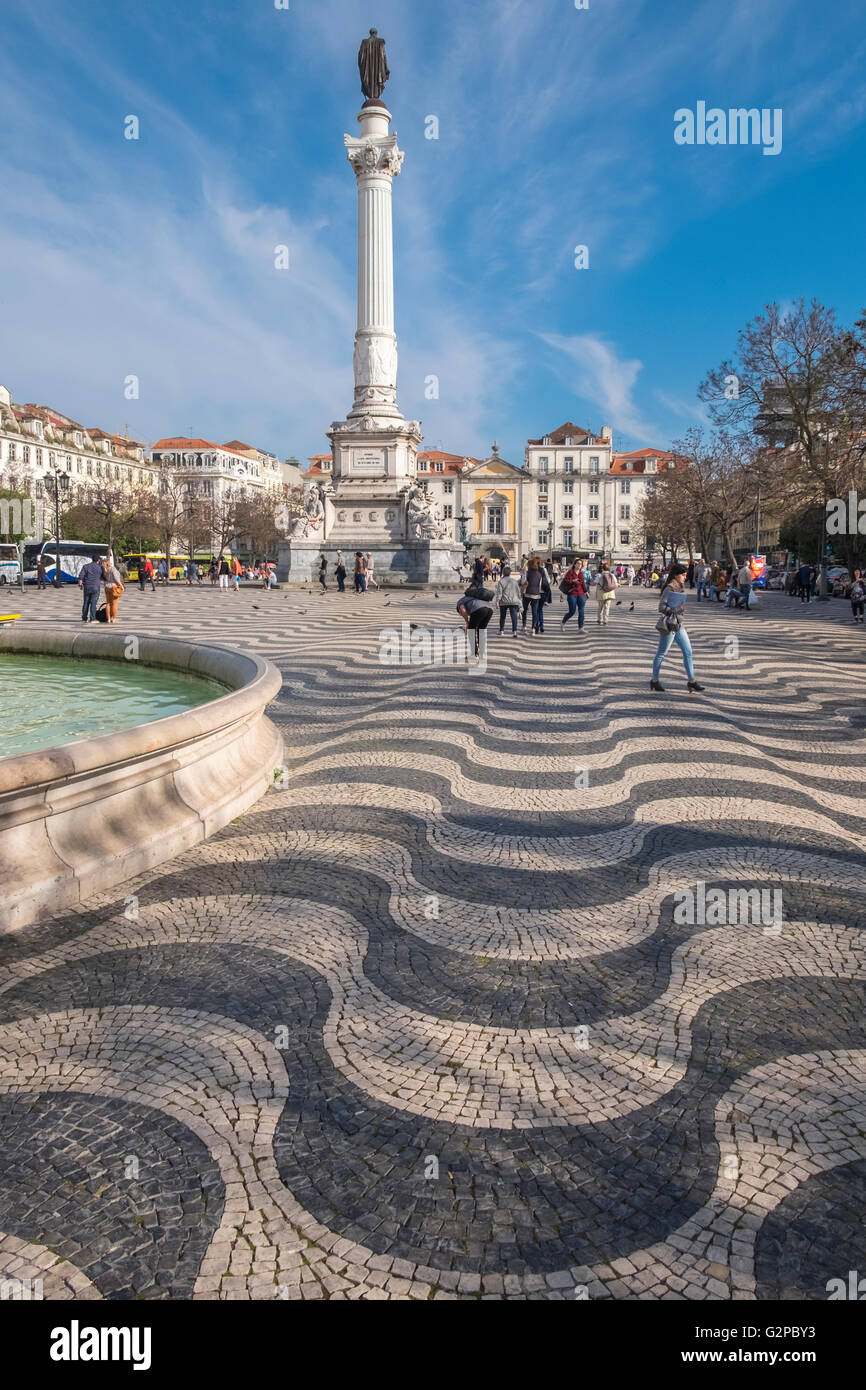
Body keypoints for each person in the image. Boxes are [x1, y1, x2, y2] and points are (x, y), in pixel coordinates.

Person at [650, 562, 704, 692]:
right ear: (676, 575)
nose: (685, 577)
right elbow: (661, 607)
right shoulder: (669, 588)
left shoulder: (680, 587)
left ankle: (692, 681)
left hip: (679, 624)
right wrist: (675, 609)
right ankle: (654, 680)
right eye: (683, 575)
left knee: (688, 652)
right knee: (661, 653)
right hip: (669, 625)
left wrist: (680, 608)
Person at [457, 589, 494, 656]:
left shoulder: (460, 603)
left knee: (470, 631)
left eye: (460, 614)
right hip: (490, 609)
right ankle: (482, 652)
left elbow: (463, 610)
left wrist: (467, 622)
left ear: (458, 610)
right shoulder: (473, 599)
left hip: (479, 609)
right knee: (481, 630)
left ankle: (474, 653)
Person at [561, 559, 588, 632]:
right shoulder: (570, 572)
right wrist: (573, 581)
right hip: (572, 593)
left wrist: (586, 592)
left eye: (581, 564)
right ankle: (563, 622)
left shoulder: (581, 573)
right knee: (572, 611)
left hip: (581, 593)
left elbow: (582, 584)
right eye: (578, 563)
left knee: (581, 610)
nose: (579, 565)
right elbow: (565, 581)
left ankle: (581, 627)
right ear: (574, 564)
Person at [494, 565, 522, 636]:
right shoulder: (514, 581)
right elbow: (518, 592)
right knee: (514, 616)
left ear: (503, 573)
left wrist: (497, 601)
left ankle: (501, 631)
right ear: (510, 573)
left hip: (504, 601)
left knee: (502, 616)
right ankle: (514, 631)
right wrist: (519, 599)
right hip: (514, 601)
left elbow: (499, 593)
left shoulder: (501, 581)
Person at [522, 556, 547, 635]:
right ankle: (533, 628)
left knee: (525, 610)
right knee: (534, 612)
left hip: (527, 594)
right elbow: (540, 586)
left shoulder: (527, 572)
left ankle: (524, 626)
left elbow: (523, 582)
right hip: (536, 595)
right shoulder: (539, 574)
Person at [78, 555, 103, 623]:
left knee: (86, 602)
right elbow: (103, 576)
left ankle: (84, 618)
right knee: (93, 603)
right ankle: (92, 618)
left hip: (87, 587)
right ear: (98, 560)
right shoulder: (100, 567)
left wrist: (80, 584)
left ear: (92, 559)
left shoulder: (85, 566)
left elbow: (81, 576)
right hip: (95, 587)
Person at [102, 554, 124, 623]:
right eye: (110, 561)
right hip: (113, 587)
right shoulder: (113, 569)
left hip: (106, 587)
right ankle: (114, 618)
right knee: (114, 604)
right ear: (109, 563)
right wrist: (121, 586)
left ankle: (108, 618)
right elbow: (116, 579)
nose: (111, 562)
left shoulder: (104, 570)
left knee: (108, 603)